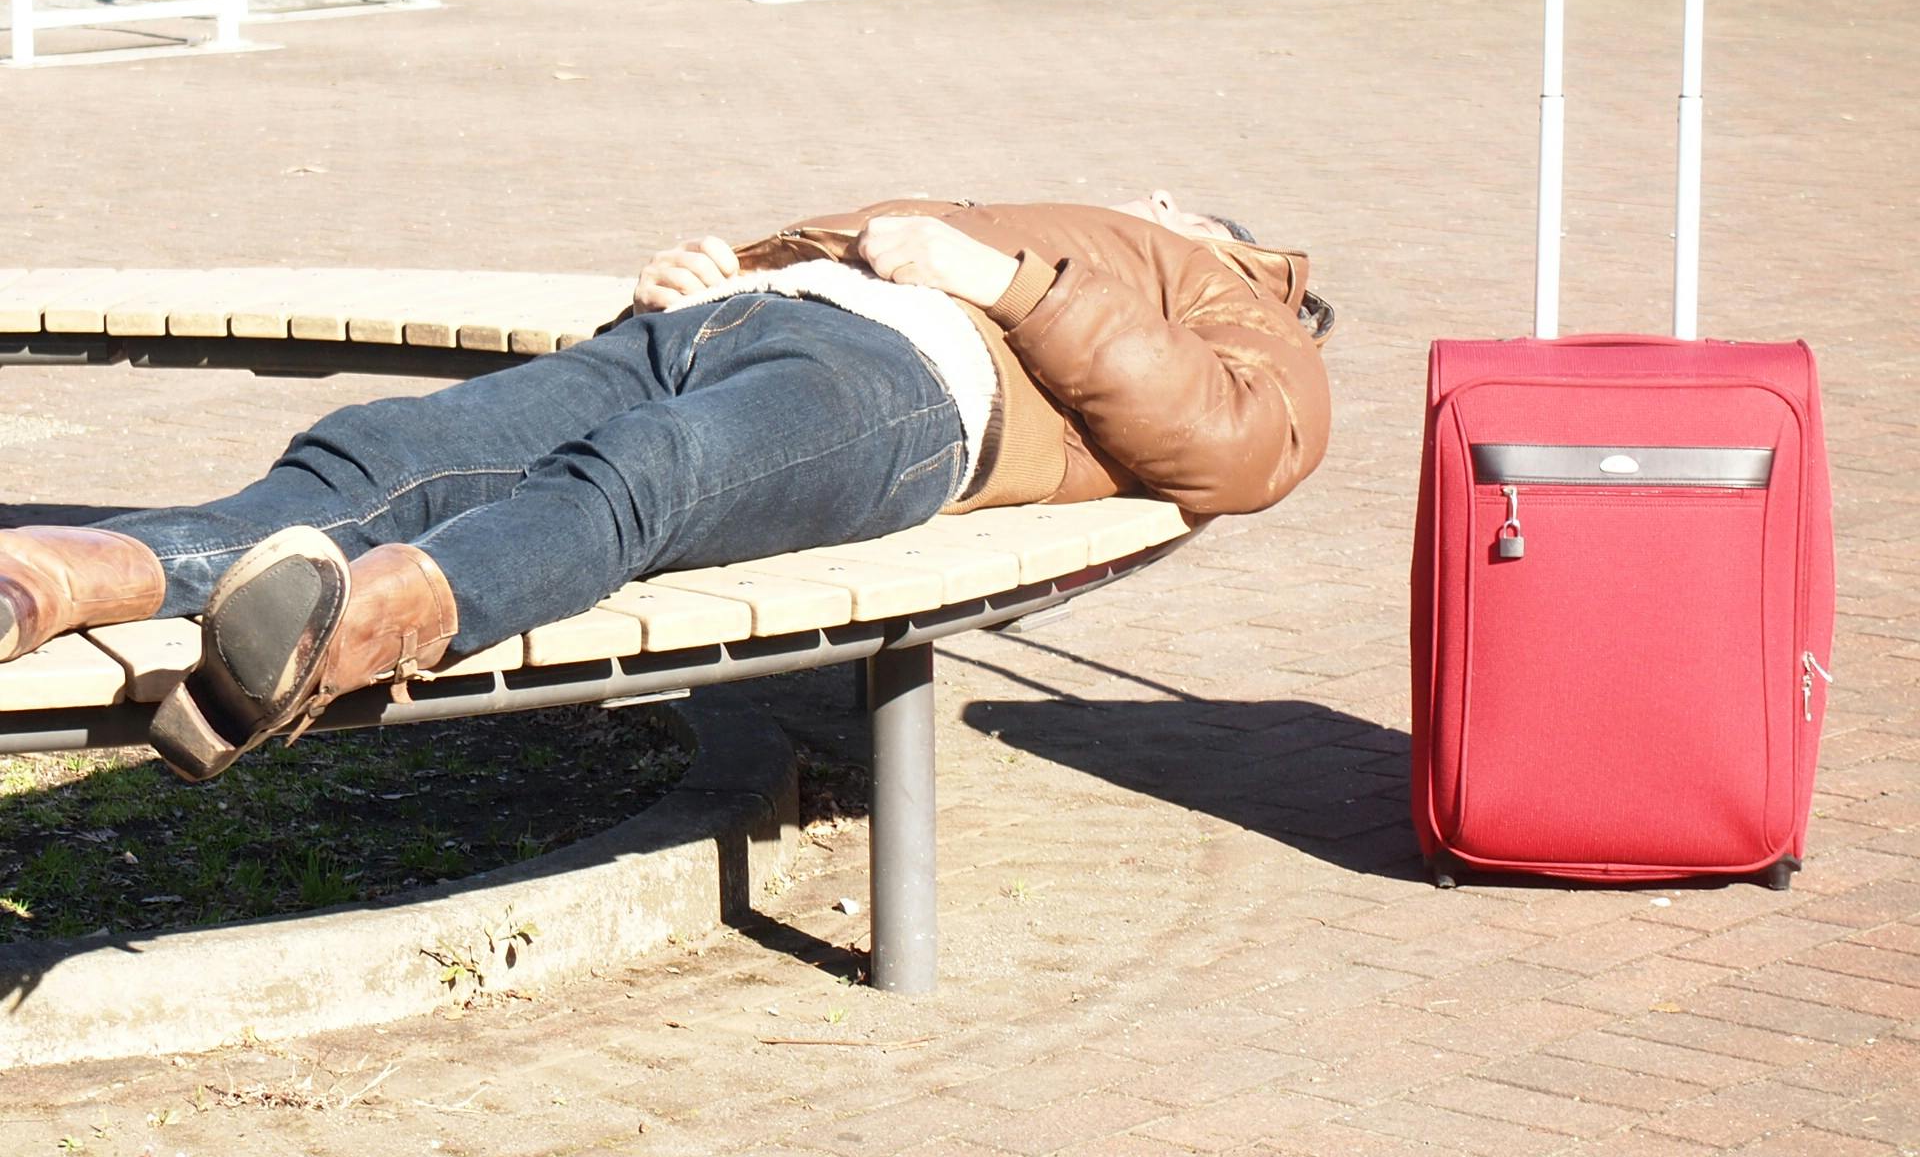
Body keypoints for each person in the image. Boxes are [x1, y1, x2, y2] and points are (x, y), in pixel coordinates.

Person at [0, 192, 1333, 782]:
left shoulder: (1235, 293)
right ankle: (59, 577)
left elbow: (1235, 446)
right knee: (384, 447)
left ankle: (346, 635)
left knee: (651, 477)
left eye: (1177, 205)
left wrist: (997, 280)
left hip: (914, 398)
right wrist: (720, 267)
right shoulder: (1045, 219)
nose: (1152, 196)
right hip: (722, 325)